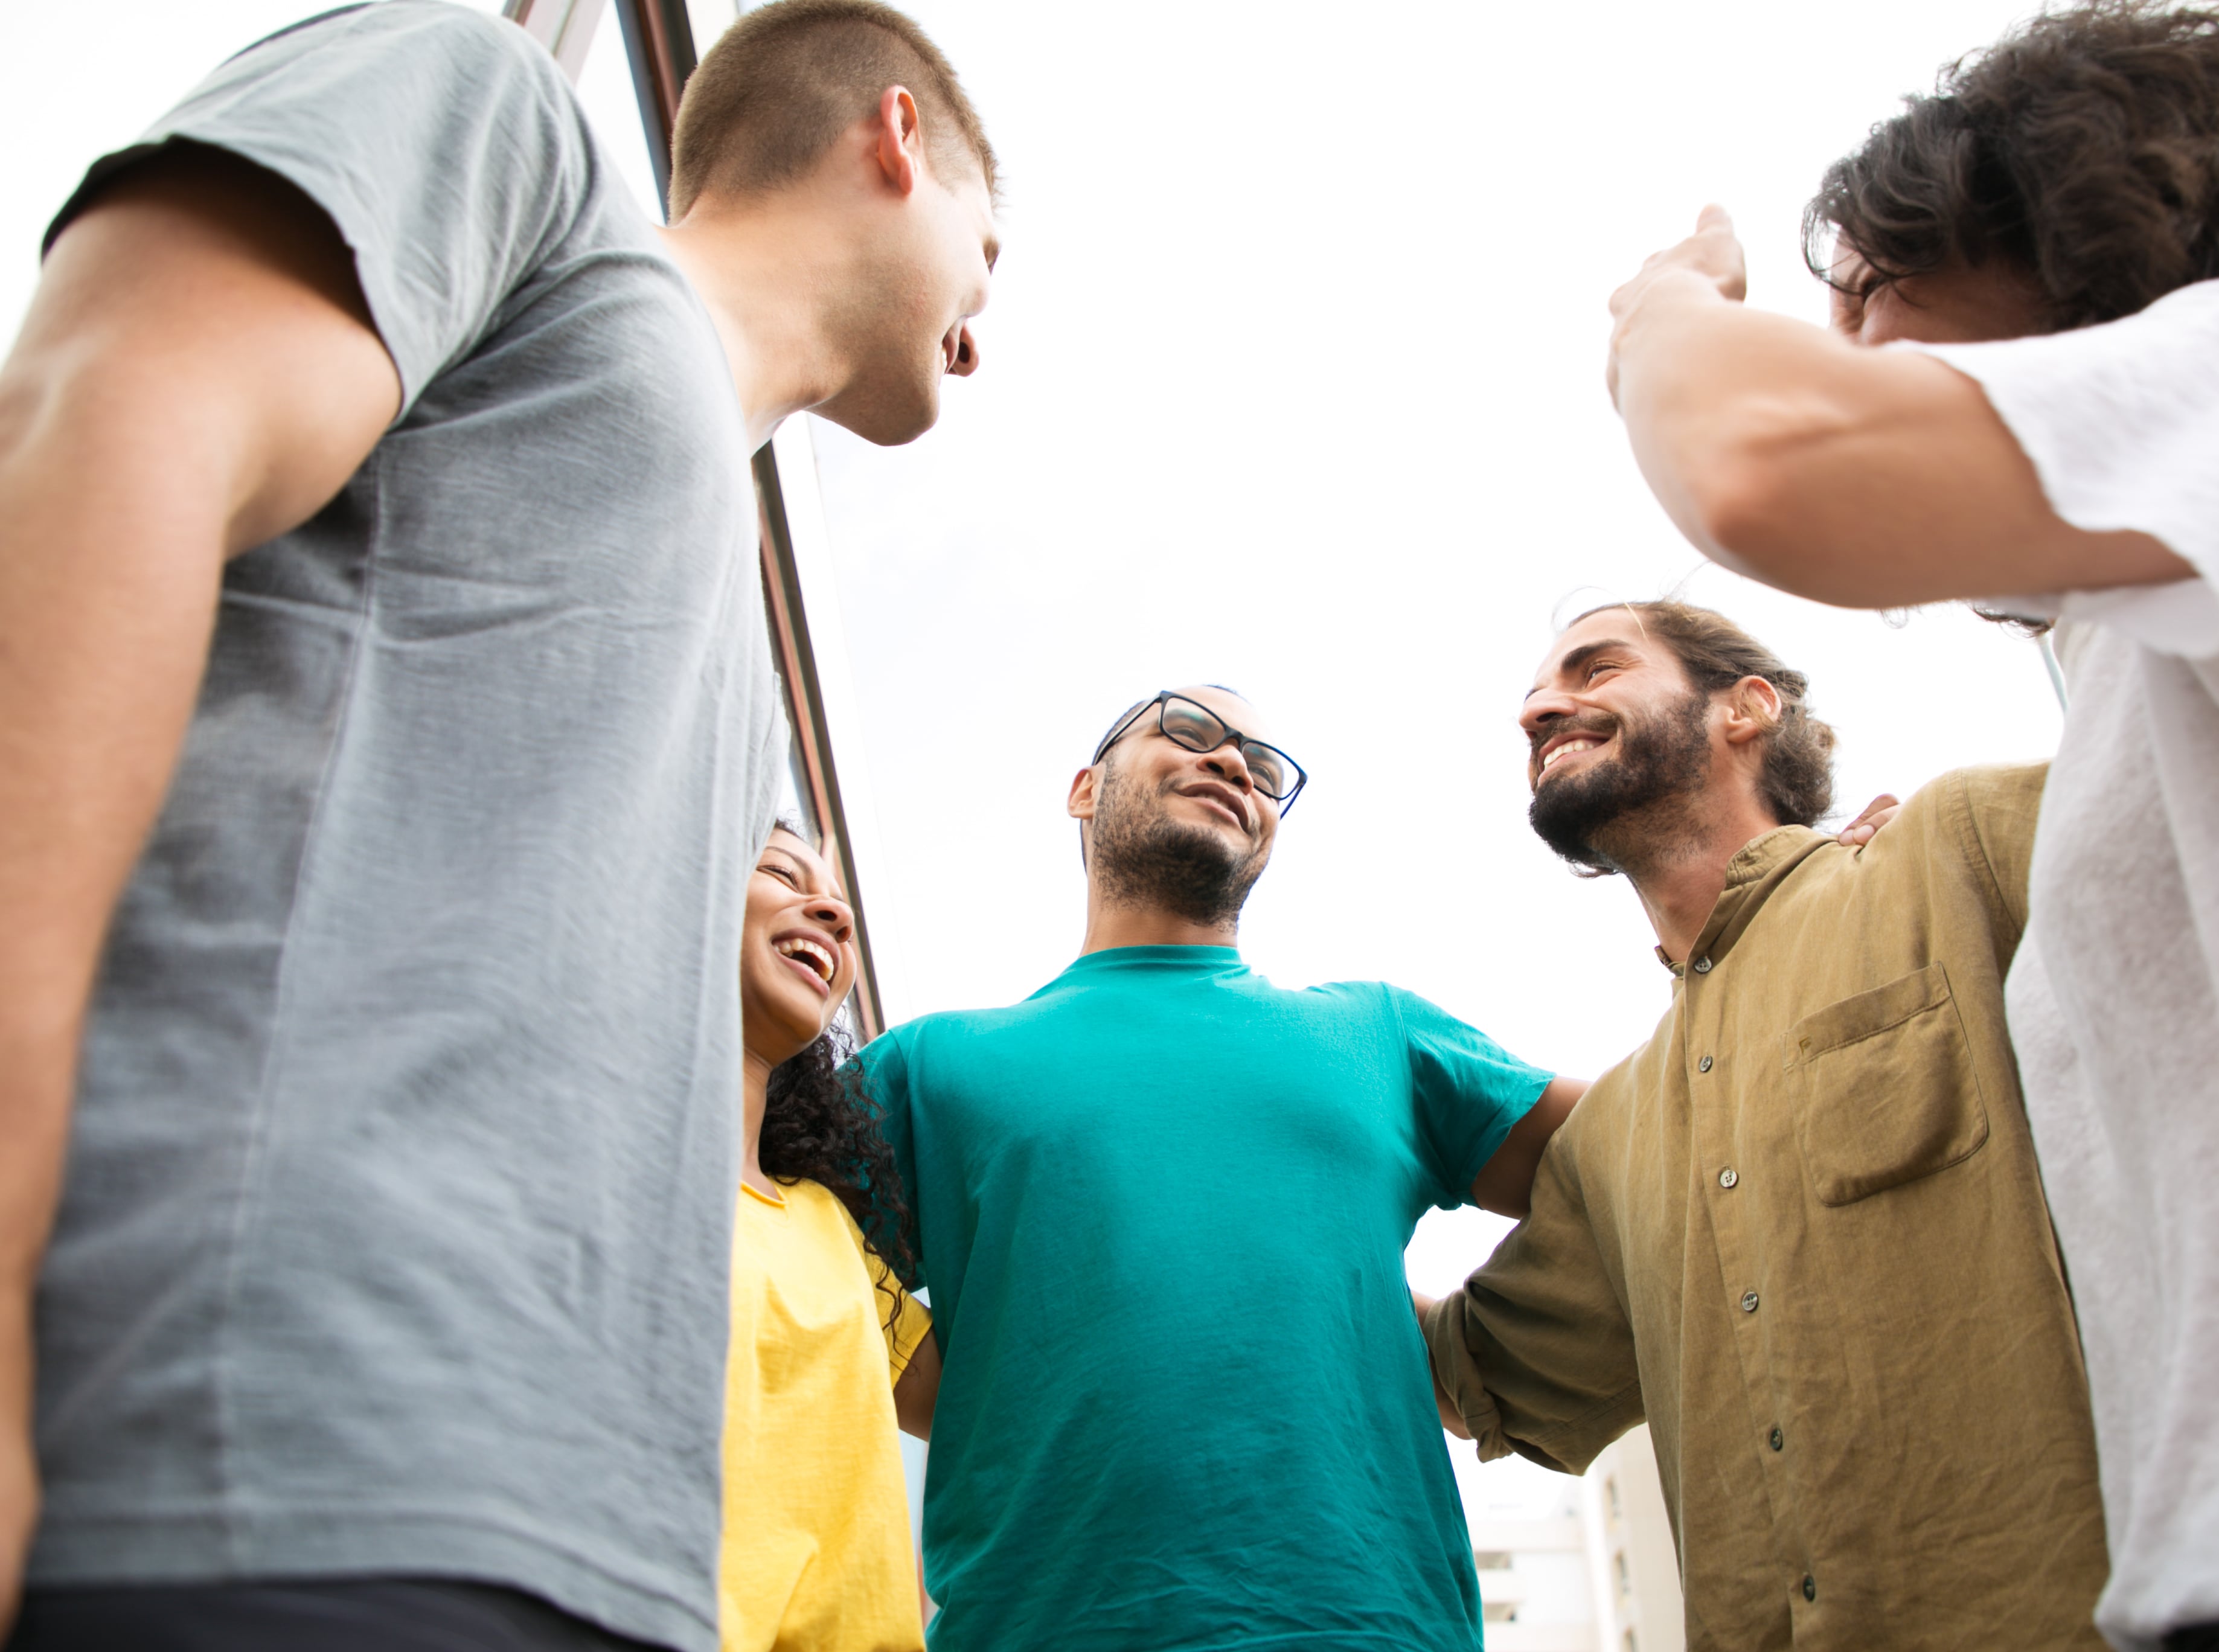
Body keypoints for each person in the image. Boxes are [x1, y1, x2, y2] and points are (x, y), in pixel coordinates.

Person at [0, 1, 997, 1645]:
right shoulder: (502, 127)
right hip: (239, 1467)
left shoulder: (727, 637)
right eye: (990, 251)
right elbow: (96, 439)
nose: (982, 326)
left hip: (573, 1557)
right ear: (897, 141)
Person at [1600, 4, 2219, 1647]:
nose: (1843, 349)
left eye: (1869, 293)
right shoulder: (2164, 662)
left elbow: (1770, 461)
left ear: (2077, 244)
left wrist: (1661, 314)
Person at [1421, 600, 2103, 1650]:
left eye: (1596, 669)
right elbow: (1465, 1376)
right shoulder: (1612, 1137)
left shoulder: (1957, 856)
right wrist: (1290, 1129)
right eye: (1535, 700)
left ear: (1746, 709)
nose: (1543, 709)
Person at [854, 685, 1586, 1652]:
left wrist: (1469, 1346)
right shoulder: (931, 1065)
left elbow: (1648, 1152)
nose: (1238, 765)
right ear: (1084, 790)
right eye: (1190, 731)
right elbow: (790, 1266)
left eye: (1266, 768)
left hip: (1373, 1628)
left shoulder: (1379, 1032)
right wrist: (997, 1395)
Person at [725, 824, 937, 1652]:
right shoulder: (577, 1146)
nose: (833, 918)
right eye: (781, 870)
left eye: (843, 909)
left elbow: (990, 1412)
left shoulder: (828, 1227)